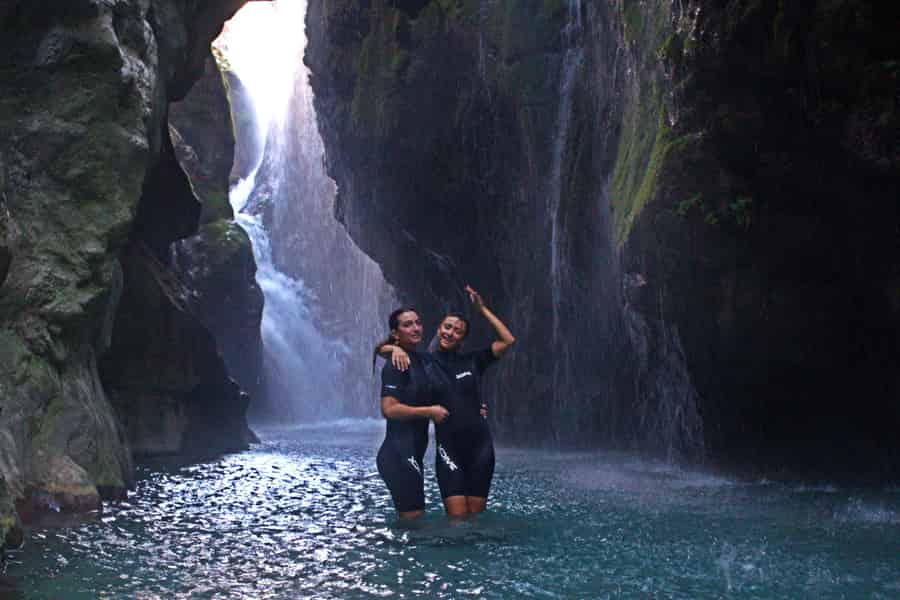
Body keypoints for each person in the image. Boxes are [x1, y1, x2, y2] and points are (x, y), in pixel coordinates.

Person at [379, 286, 515, 517]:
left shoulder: (474, 361)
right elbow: (387, 352)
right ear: (439, 328)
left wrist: (482, 309)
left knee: (475, 521)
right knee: (458, 520)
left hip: (480, 445)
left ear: (463, 338)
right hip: (449, 447)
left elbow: (508, 340)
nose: (450, 333)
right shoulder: (425, 362)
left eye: (458, 331)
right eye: (447, 327)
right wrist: (392, 347)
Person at [374, 307, 449, 519]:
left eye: (418, 322)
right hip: (398, 455)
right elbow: (389, 409)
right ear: (396, 333)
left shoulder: (421, 360)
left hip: (412, 454)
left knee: (413, 523)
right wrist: (429, 411)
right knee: (412, 523)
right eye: (408, 325)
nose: (416, 328)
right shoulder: (397, 364)